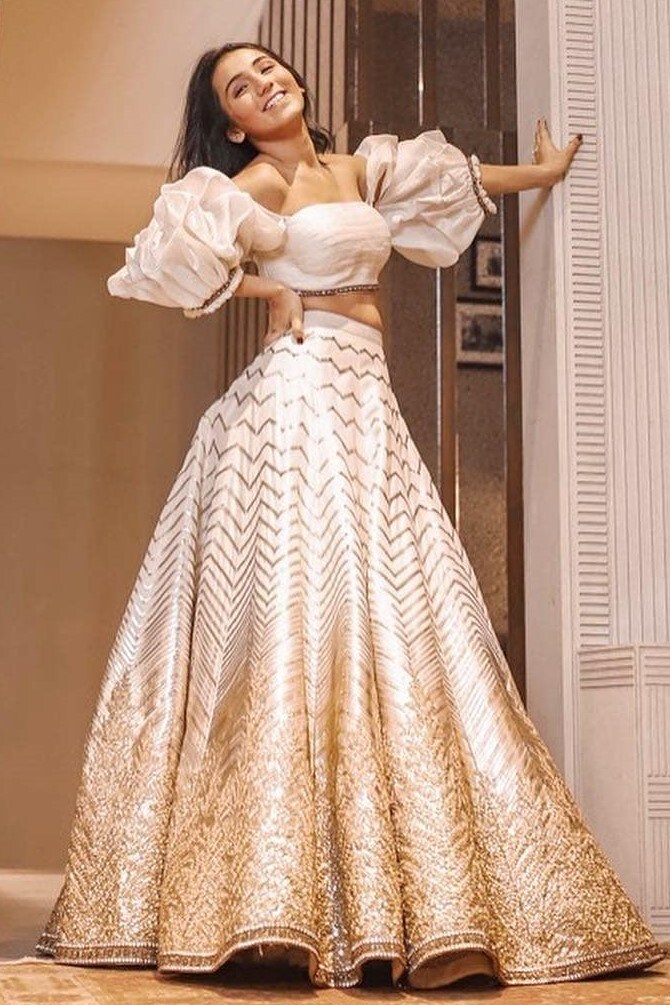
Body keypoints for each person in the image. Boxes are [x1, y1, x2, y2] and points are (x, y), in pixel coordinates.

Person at [35, 42, 664, 990]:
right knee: (310, 621)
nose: (264, 83)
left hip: (368, 401)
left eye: (267, 68)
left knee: (405, 618)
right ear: (234, 122)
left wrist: (540, 175)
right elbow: (168, 262)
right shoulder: (251, 183)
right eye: (241, 87)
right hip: (297, 401)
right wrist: (270, 285)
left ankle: (422, 902)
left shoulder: (359, 167)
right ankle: (275, 906)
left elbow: (454, 180)